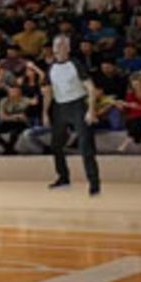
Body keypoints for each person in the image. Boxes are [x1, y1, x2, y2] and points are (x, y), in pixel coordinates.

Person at [43, 34, 101, 195]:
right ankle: (63, 177)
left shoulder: (75, 64)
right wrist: (45, 113)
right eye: (56, 45)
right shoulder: (51, 68)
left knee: (85, 146)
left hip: (78, 106)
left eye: (62, 45)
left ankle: (94, 183)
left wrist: (91, 110)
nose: (58, 48)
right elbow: (48, 92)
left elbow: (90, 87)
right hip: (60, 107)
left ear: (68, 48)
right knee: (56, 145)